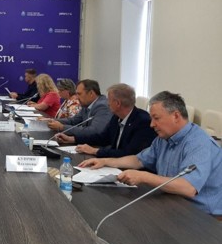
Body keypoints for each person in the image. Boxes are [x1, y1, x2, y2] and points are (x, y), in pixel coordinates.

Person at [79, 91, 222, 216]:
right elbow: (138, 160)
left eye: (156, 118)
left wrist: (144, 177)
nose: (151, 124)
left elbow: (188, 188)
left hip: (202, 216)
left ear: (176, 116)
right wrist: (105, 161)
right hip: (171, 202)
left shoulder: (199, 144)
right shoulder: (164, 137)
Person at [59, 84, 156, 156]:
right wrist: (73, 139)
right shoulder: (117, 117)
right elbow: (102, 137)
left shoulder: (143, 122)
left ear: (117, 103)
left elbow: (129, 153)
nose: (107, 103)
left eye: (109, 99)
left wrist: (95, 151)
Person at [47, 79, 113, 142]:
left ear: (91, 93)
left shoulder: (102, 106)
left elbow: (94, 131)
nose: (77, 97)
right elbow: (73, 121)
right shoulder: (86, 104)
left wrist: (62, 127)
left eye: (79, 94)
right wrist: (51, 120)